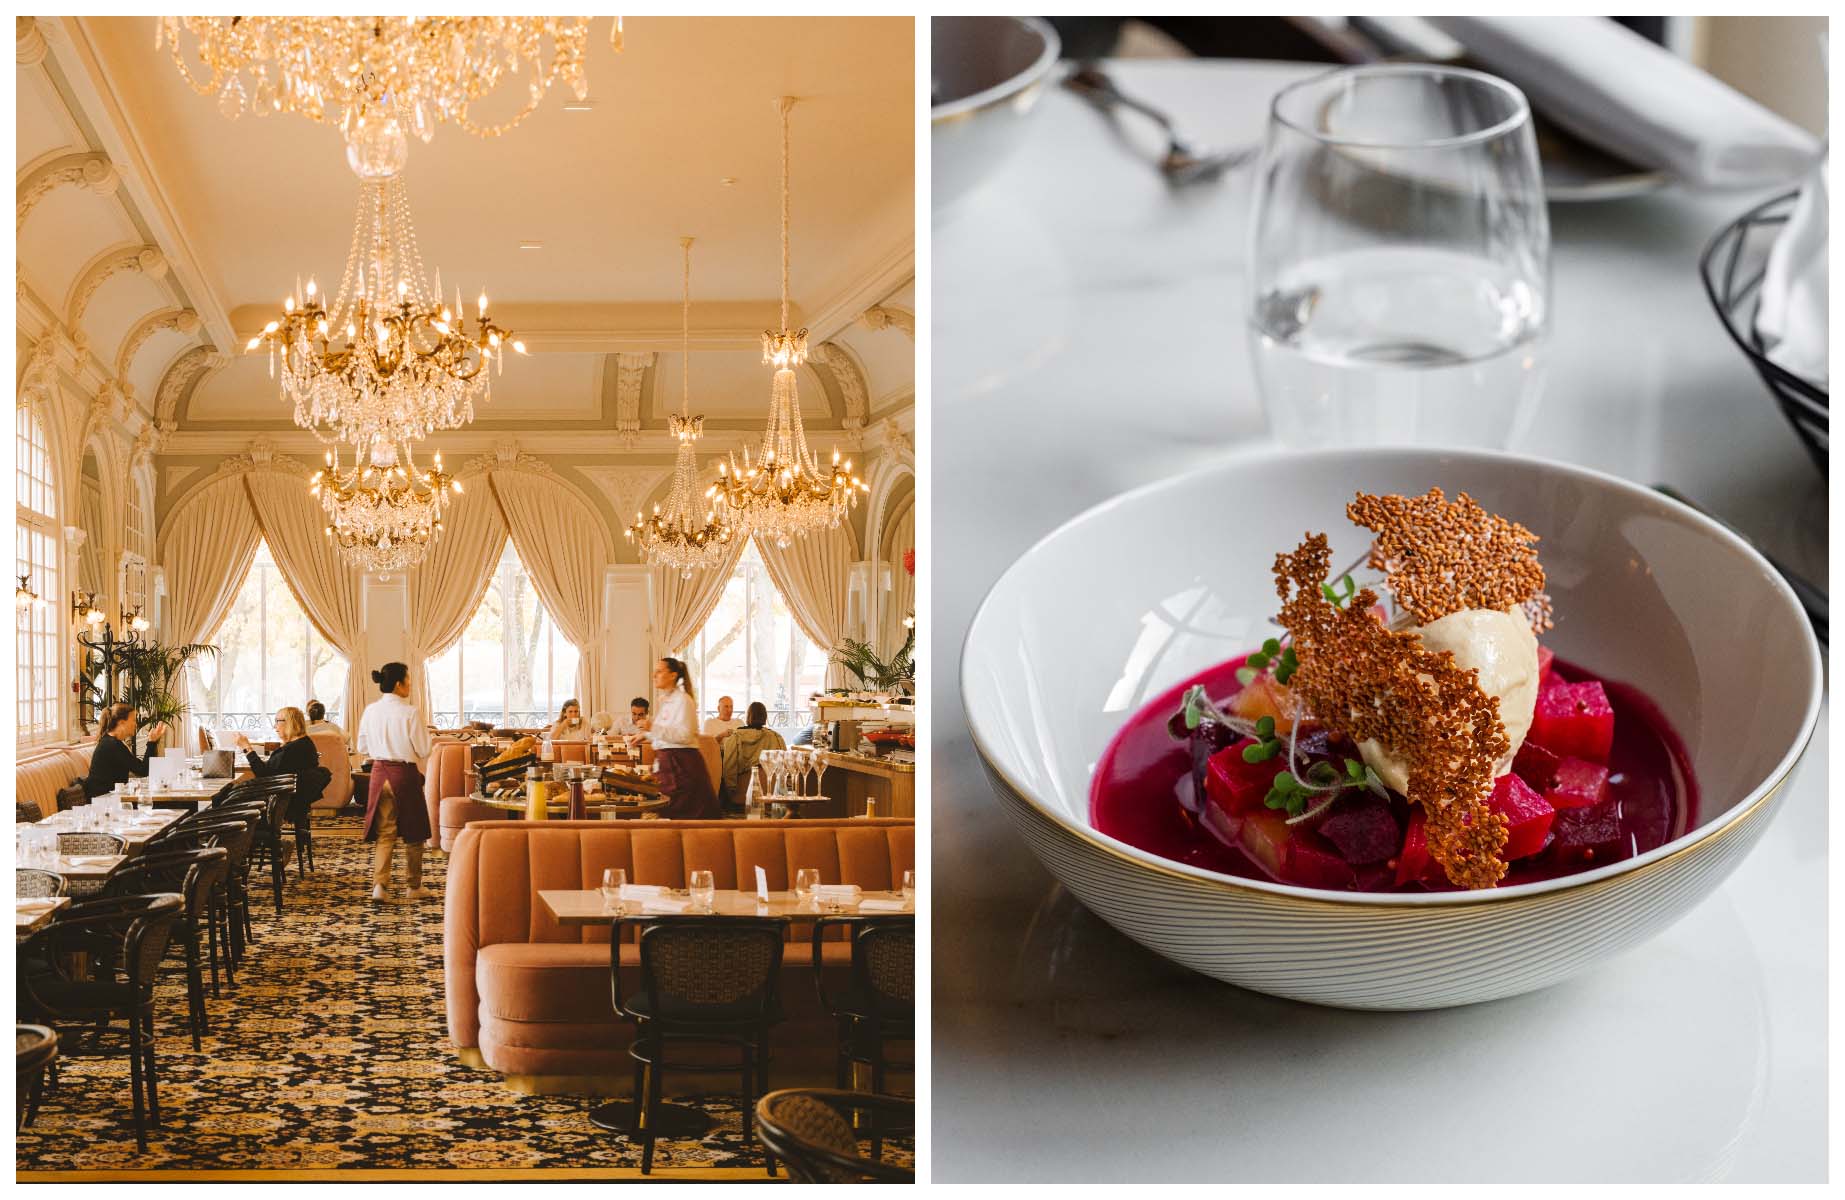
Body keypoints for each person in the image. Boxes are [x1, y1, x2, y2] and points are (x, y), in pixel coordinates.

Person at [354, 662, 434, 903]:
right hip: (404, 774)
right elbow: (423, 748)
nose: (410, 684)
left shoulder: (370, 711)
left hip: (379, 774)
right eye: (408, 680)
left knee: (385, 833)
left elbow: (362, 747)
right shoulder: (410, 712)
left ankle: (380, 886)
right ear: (398, 684)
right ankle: (414, 885)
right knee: (414, 832)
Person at [234, 706, 325, 846]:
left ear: (290, 723)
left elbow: (263, 775)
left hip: (275, 805)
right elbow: (271, 771)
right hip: (286, 801)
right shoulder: (303, 744)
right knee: (229, 791)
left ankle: (226, 844)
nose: (274, 725)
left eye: (277, 721)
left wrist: (247, 747)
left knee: (227, 796)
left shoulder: (292, 750)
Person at [641, 658, 718, 819]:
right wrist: (644, 735)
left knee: (685, 817)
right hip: (669, 764)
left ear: (673, 675)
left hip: (682, 766)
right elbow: (666, 733)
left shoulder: (684, 700)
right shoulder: (665, 701)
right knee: (663, 812)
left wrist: (652, 728)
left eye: (660, 671)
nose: (654, 675)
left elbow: (684, 735)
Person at [81, 704, 169, 798]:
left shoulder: (111, 741)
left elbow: (141, 769)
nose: (136, 724)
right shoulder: (112, 745)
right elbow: (143, 771)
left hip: (110, 797)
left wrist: (153, 742)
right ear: (122, 723)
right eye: (134, 720)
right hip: (104, 801)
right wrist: (152, 742)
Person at [719, 701, 786, 812]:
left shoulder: (735, 738)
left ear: (748, 716)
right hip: (772, 794)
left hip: (741, 796)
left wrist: (730, 792)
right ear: (765, 717)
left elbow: (729, 769)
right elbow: (784, 768)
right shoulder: (777, 737)